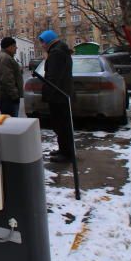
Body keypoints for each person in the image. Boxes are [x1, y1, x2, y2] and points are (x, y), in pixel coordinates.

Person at [38, 30, 74, 163]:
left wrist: (47, 94)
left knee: (62, 125)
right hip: (62, 94)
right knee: (62, 125)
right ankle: (64, 150)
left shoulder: (56, 53)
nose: (42, 45)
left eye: (42, 42)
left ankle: (66, 153)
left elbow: (52, 78)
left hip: (58, 96)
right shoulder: (60, 50)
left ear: (48, 41)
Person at [0, 36, 23, 117]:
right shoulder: (5, 58)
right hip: (8, 98)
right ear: (9, 47)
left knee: (9, 122)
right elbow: (7, 79)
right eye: (14, 46)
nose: (16, 48)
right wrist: (15, 96)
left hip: (5, 97)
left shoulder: (4, 57)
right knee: (11, 123)